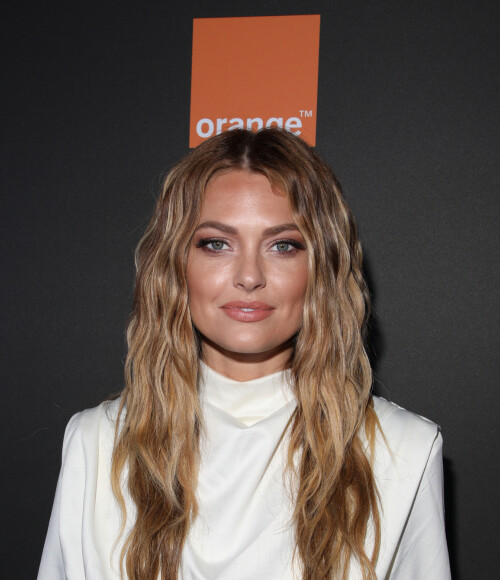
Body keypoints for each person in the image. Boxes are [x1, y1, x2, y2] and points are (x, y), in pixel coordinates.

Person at [38, 128, 451, 580]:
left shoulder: (403, 451)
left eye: (283, 245)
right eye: (217, 243)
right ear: (175, 265)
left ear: (322, 268)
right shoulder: (96, 443)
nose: (249, 275)